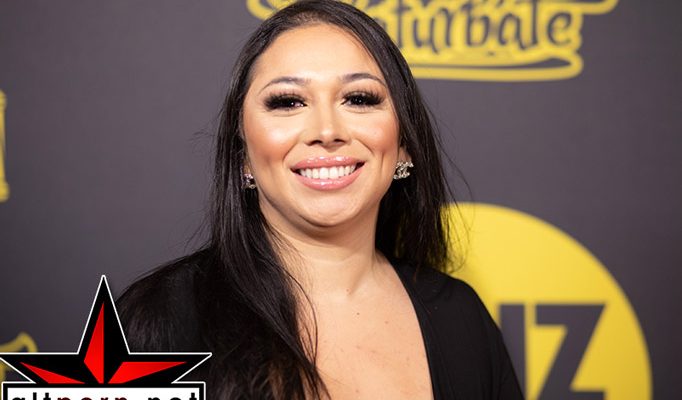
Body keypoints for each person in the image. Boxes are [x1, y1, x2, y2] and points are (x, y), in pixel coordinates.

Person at [117, 1, 523, 399]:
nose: (327, 131)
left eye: (359, 99)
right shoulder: (162, 320)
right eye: (288, 102)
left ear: (404, 144)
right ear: (243, 154)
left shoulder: (460, 317)